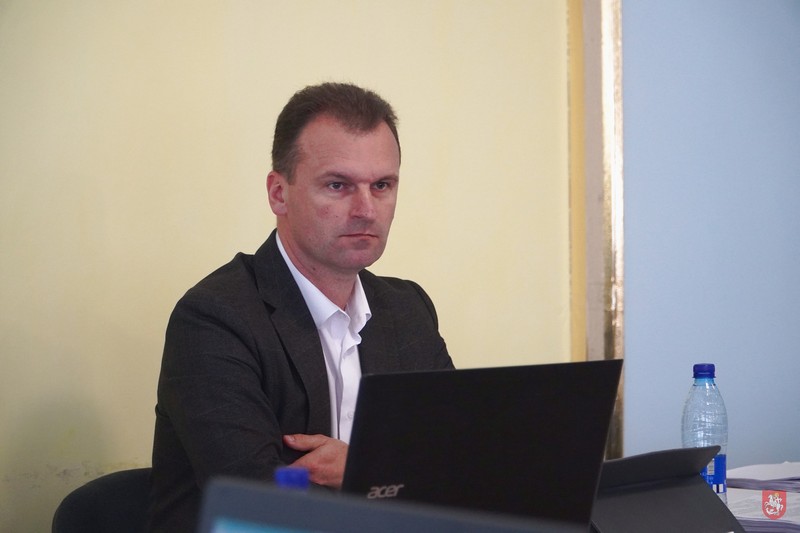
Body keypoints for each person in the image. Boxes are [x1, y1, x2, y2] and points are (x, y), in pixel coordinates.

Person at [146, 82, 454, 532]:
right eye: (338, 185)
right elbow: (261, 498)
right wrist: (395, 473)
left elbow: (459, 464)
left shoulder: (408, 310)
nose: (366, 209)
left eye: (382, 185)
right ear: (279, 193)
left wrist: (359, 468)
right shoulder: (214, 318)